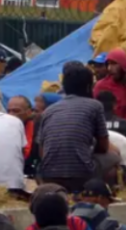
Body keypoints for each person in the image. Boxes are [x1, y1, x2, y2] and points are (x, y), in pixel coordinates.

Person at [37, 64, 116, 193]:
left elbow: (42, 150)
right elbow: (103, 146)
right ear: (88, 86)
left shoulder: (49, 110)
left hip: (49, 176)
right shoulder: (95, 106)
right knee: (114, 158)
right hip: (82, 175)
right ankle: (102, 194)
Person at [92, 49, 126, 123]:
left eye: (114, 63)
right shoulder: (101, 86)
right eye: (108, 64)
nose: (109, 68)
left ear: (123, 64)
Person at [8, 95, 39, 178]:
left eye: (16, 111)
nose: (11, 114)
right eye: (9, 111)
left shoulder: (38, 128)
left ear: (29, 112)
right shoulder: (3, 129)